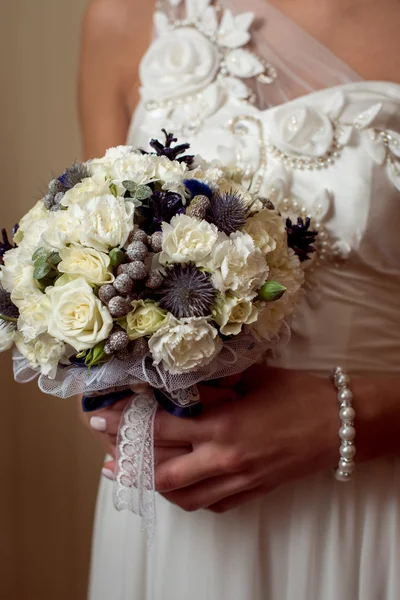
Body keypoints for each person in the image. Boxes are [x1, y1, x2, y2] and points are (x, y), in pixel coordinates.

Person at [80, 1, 400, 598]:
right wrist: (105, 378)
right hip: (173, 518)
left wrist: (348, 419)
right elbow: (94, 258)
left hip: (370, 504)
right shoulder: (123, 14)